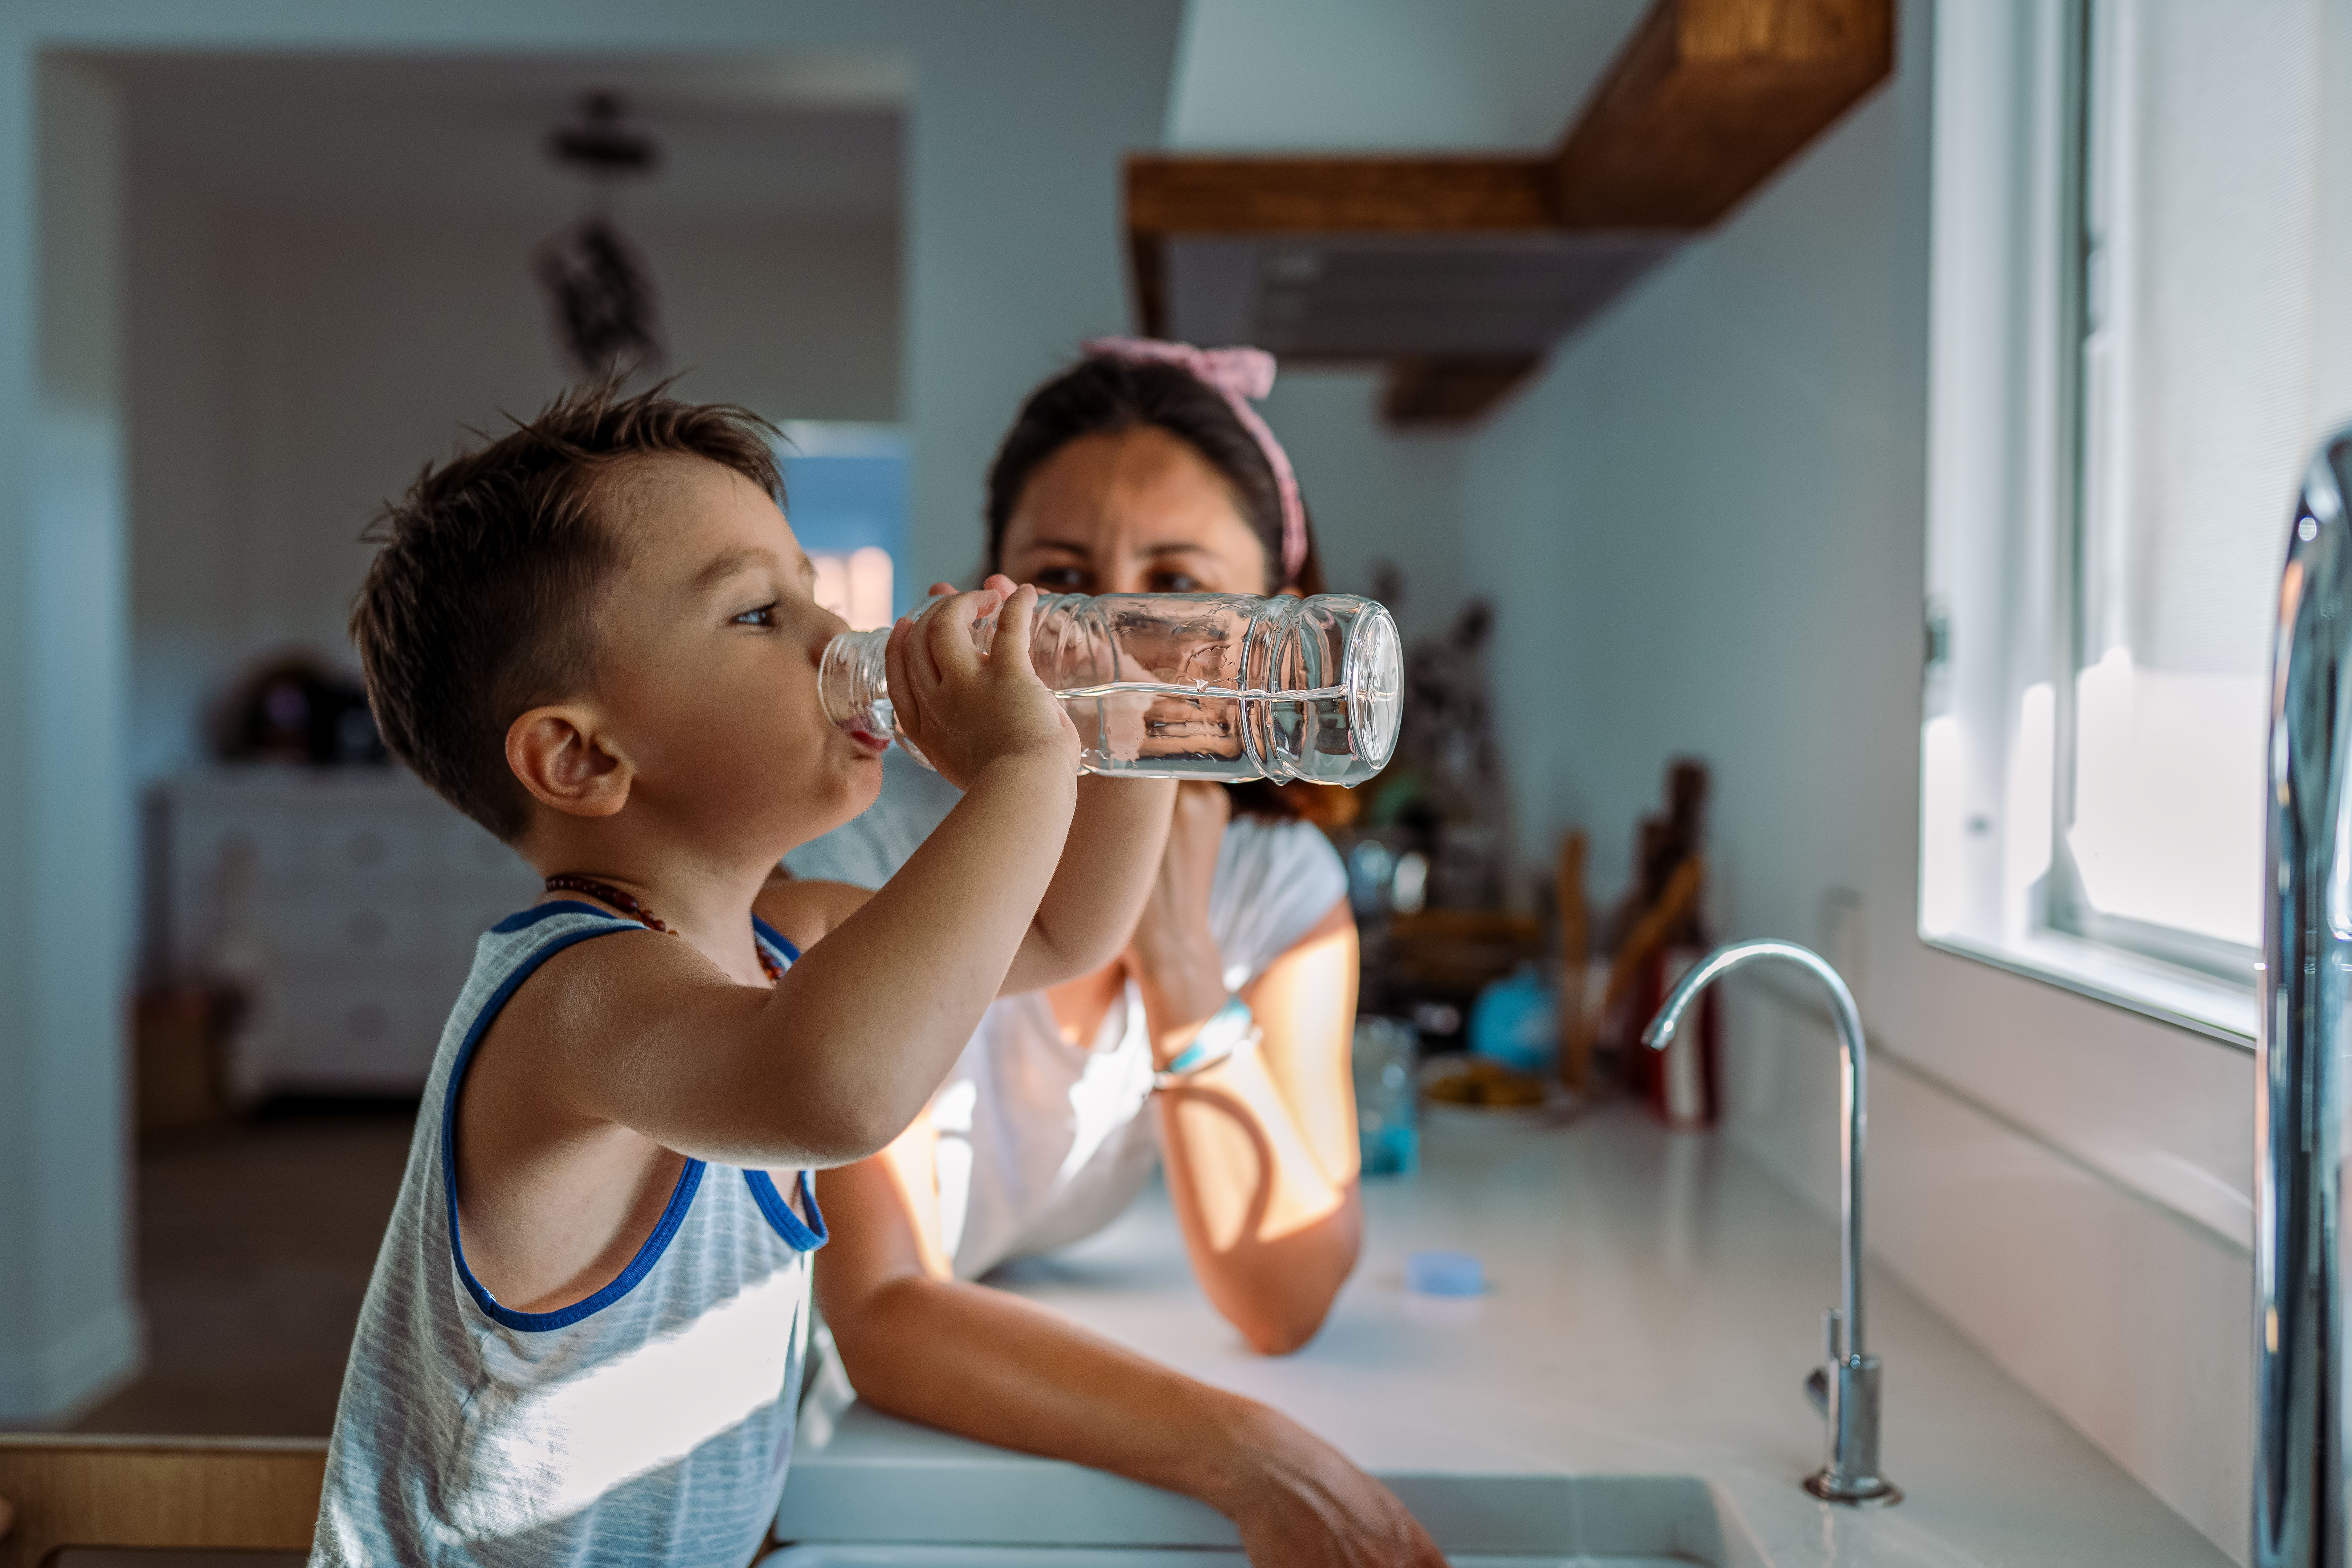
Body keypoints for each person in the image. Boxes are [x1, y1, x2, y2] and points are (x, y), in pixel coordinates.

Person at [311, 383, 1175, 1567]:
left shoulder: (785, 933)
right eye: (761, 615)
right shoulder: (575, 1004)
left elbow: (1065, 934)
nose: (837, 638)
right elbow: (838, 1094)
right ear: (581, 756)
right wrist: (1025, 765)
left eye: (813, 591)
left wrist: (1135, 715)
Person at [786, 342, 1446, 1566]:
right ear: (994, 599)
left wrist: (1179, 953)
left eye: (1176, 586)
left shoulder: (1272, 884)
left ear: (1272, 628)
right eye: (1066, 581)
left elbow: (1283, 1295)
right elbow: (880, 1314)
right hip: (830, 1454)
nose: (1121, 641)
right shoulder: (868, 859)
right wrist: (1250, 1453)